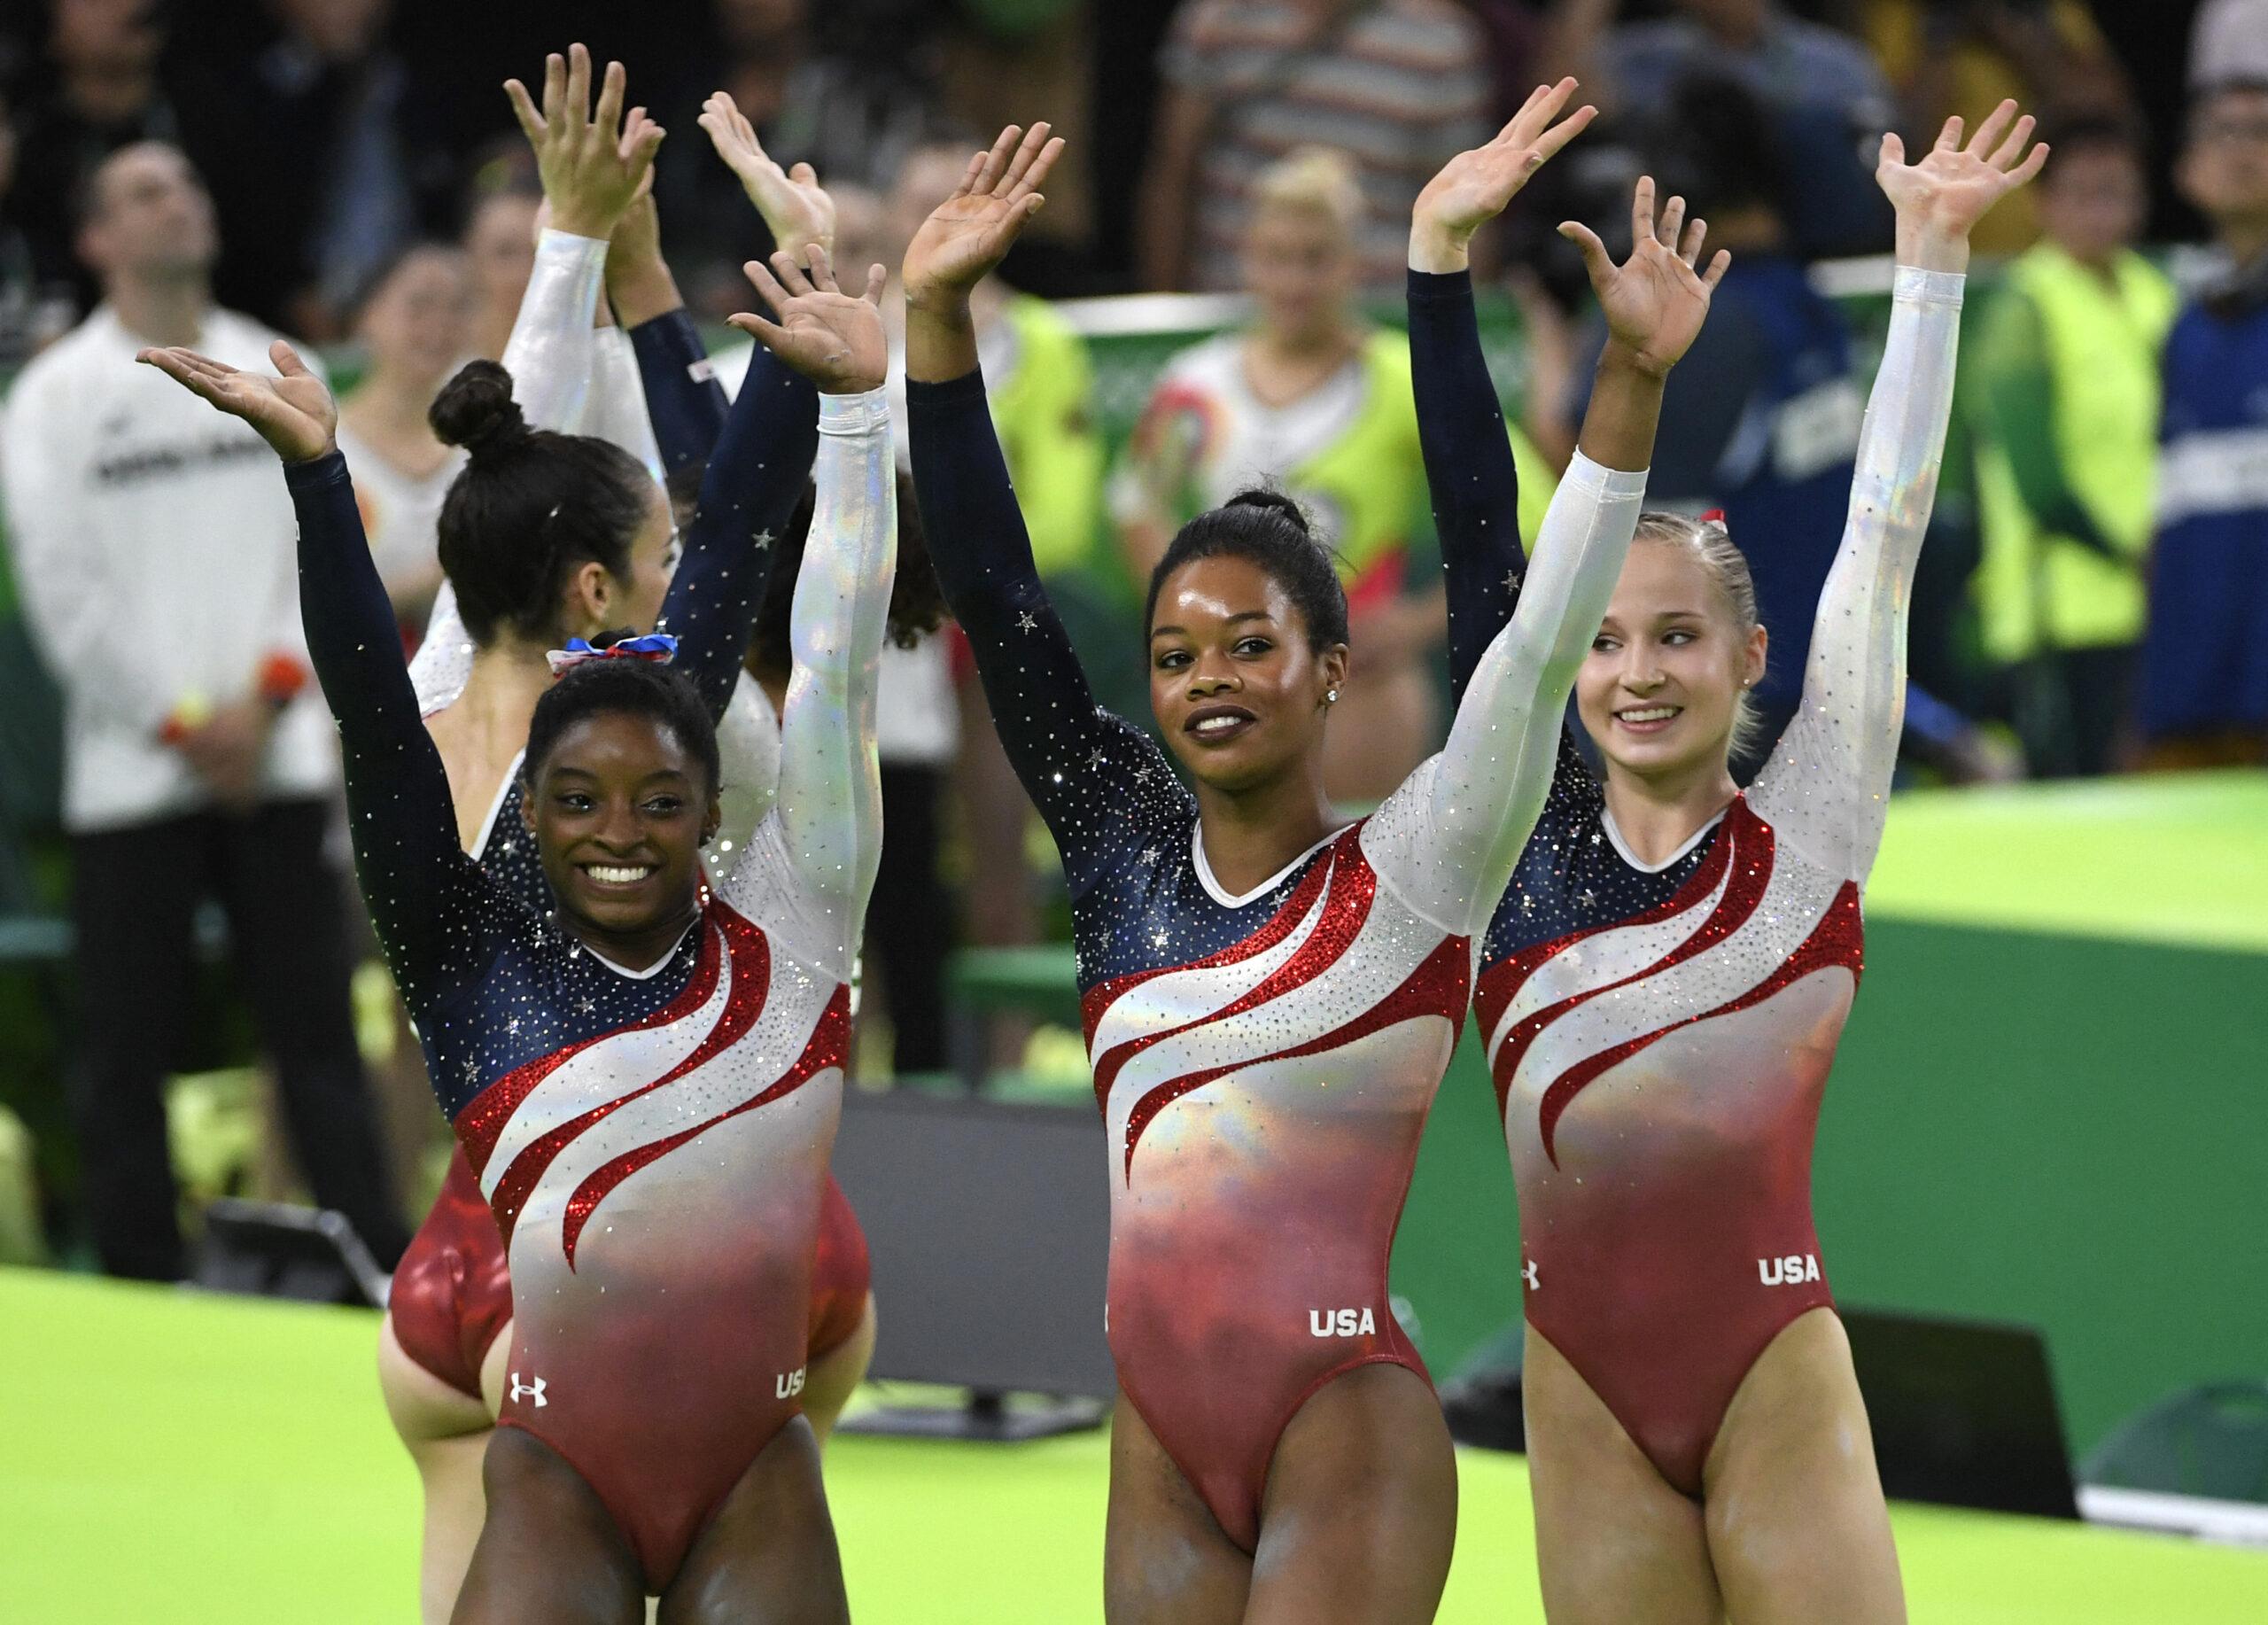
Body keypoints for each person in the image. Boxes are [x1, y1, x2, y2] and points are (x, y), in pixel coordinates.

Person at [907, 109, 1707, 1619]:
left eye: (1251, 643)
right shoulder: (1121, 842)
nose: (1210, 675)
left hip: (1345, 1426)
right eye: (1174, 653)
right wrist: (938, 327)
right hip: (1155, 1439)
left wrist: (1517, 317)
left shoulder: (1416, 865)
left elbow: (1523, 622)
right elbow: (1001, 598)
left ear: (1330, 668)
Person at [141, 208, 895, 1625]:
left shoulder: (788, 928)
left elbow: (834, 657)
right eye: (581, 806)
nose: (621, 834)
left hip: (747, 1469)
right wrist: (319, 481)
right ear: (524, 823)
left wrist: (841, 408)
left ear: (714, 811)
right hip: (551, 1447)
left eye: (662, 806)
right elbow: (374, 720)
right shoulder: (465, 941)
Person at [1411, 97, 2043, 1621]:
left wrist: (1930, 262)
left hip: (1770, 1368)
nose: (1637, 671)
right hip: (1580, 1388)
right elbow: (1479, 528)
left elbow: (1882, 536)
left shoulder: (1812, 824)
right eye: (1607, 639)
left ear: (1750, 654)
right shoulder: (1517, 840)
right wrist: (1436, 263)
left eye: (1679, 636)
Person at [360, 50, 872, 1623]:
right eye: (643, 558)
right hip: (681, 1276)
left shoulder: (436, 694)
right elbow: (748, 534)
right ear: (600, 588)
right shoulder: (661, 739)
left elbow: (505, 477)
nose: (675, 570)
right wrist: (774, 301)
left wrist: (585, 254)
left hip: (448, 1283)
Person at [0, 139, 408, 1281]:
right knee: (122, 1053)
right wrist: (186, 723)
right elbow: (61, 586)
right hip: (134, 776)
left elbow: (331, 536)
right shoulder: (54, 397)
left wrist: (268, 698)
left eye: (186, 183)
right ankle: (136, 1274)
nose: (176, 203)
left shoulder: (275, 368)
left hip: (274, 762)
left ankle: (370, 1267)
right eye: (142, 191)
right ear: (93, 239)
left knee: (318, 1036)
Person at [1119, 146, 1515, 805]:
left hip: (1362, 687)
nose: (1295, 280)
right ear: (1247, 258)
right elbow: (1135, 503)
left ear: (1353, 264)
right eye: (1276, 257)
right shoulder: (1195, 383)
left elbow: (1519, 518)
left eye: (1316, 258)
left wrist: (1418, 623)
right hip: (1235, 681)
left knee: (1360, 890)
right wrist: (1190, 630)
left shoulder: (1406, 379)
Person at [1970, 115, 2174, 777]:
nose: (2102, 211)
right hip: (2064, 611)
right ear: (2043, 203)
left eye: (2117, 191)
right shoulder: (2023, 308)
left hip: (2159, 600)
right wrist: (2132, 554)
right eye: (2082, 193)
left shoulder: (2158, 293)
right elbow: (2040, 484)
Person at [1138, 0, 1492, 293]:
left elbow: (1466, 211)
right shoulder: (1222, 18)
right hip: (1235, 313)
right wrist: (1166, 313)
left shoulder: (1439, 38)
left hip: (1385, 321)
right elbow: (1173, 177)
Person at [1545, 0, 1896, 258]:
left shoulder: (1836, 66)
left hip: (1818, 261)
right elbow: (1563, 99)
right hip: (1671, 253)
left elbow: (1885, 174)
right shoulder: (1644, 57)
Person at [2139, 78, 2268, 769]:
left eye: (2262, 132)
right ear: (2187, 171)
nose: (2244, 152)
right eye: (2224, 133)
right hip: (2197, 689)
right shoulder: (2182, 326)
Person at [334, 241, 476, 633]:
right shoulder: (322, 448)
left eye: (457, 308)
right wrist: (429, 582)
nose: (439, 327)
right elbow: (306, 605)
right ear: (366, 314)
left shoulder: (485, 440)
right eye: (419, 306)